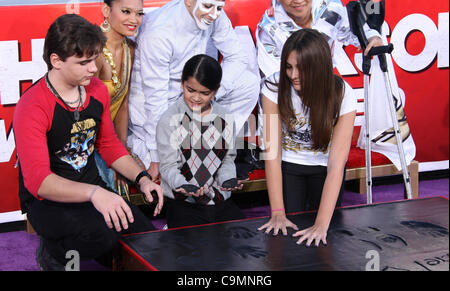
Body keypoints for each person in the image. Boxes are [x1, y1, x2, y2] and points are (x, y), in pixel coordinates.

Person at [13, 14, 163, 271]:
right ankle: (53, 255)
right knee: (100, 236)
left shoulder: (96, 91)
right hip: (48, 202)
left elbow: (108, 145)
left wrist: (142, 179)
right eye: (83, 62)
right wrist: (96, 194)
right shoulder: (32, 105)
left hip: (91, 188)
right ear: (56, 61)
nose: (94, 69)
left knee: (147, 245)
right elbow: (40, 183)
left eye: (94, 59)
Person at [127, 0, 260, 182]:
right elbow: (154, 98)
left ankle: (214, 146)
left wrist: (210, 94)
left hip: (192, 99)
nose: (213, 14)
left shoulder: (213, 14)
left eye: (219, 8)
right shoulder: (159, 32)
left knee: (249, 82)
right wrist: (156, 156)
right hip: (159, 109)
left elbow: (237, 56)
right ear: (189, 1)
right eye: (207, 6)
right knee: (171, 169)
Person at [257, 29, 356, 247]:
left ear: (319, 67)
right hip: (289, 166)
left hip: (325, 168)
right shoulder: (273, 87)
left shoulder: (343, 93)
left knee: (322, 238)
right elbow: (272, 154)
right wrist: (277, 212)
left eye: (301, 68)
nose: (293, 75)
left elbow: (337, 165)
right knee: (286, 236)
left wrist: (321, 225)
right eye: (289, 67)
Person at [156, 54, 245, 228]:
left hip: (219, 201)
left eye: (204, 93)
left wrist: (228, 180)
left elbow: (227, 159)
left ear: (216, 91)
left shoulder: (225, 117)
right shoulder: (169, 120)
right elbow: (168, 167)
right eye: (191, 90)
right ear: (182, 84)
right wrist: (184, 185)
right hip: (184, 203)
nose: (196, 98)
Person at [256, 0, 383, 78]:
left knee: (344, 96)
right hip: (284, 99)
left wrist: (371, 36)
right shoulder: (268, 30)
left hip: (324, 87)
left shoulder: (329, 6)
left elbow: (350, 30)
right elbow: (274, 82)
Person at [94, 0, 145, 192]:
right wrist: (114, 158)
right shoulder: (93, 51)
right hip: (86, 140)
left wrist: (121, 152)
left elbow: (123, 105)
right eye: (126, 11)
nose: (134, 19)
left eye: (139, 14)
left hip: (110, 139)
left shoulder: (129, 48)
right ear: (106, 10)